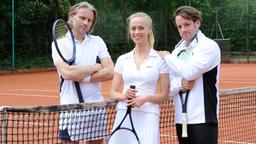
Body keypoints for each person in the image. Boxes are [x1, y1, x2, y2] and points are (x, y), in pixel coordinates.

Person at [51, 1, 114, 144]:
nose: (86, 23)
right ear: (72, 17)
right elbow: (66, 73)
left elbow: (110, 71)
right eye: (82, 18)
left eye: (89, 20)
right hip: (70, 108)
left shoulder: (98, 41)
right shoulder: (60, 42)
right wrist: (96, 66)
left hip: (96, 107)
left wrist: (82, 77)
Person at [158, 6, 221, 144]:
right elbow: (168, 88)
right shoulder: (177, 51)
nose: (183, 30)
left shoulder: (209, 46)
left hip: (203, 118)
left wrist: (167, 57)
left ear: (197, 22)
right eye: (179, 26)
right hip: (181, 119)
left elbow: (190, 72)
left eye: (187, 24)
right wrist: (180, 84)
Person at [109, 12, 169, 144]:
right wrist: (124, 96)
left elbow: (164, 95)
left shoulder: (160, 60)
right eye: (133, 28)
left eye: (141, 28)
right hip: (123, 112)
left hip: (149, 114)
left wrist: (145, 98)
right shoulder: (122, 59)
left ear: (149, 30)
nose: (137, 32)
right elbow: (112, 92)